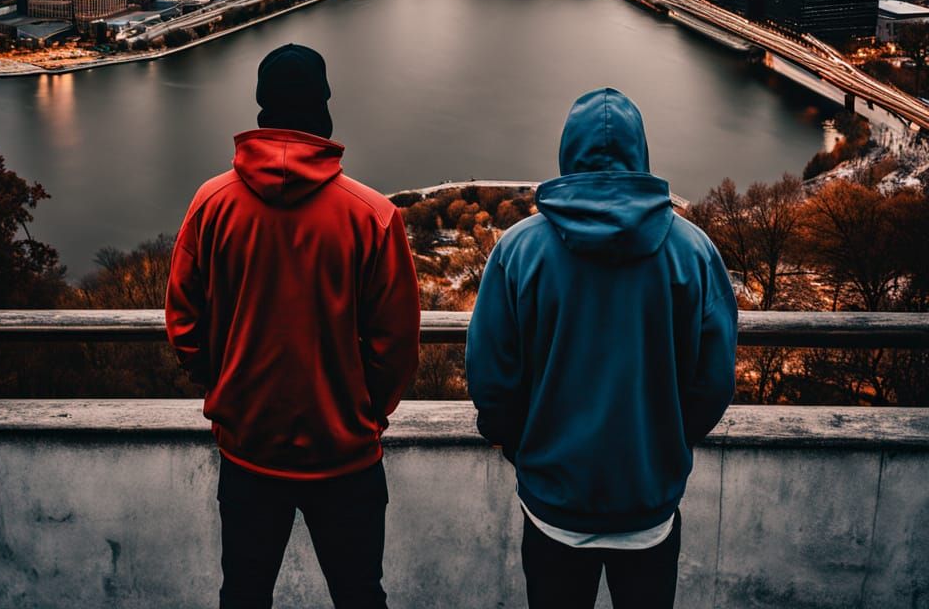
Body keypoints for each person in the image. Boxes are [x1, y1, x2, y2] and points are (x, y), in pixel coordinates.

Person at [166, 43, 421, 609]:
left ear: (261, 109)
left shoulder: (212, 204)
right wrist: (364, 411)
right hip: (346, 459)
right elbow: (397, 346)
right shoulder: (371, 215)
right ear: (323, 107)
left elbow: (183, 323)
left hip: (248, 452)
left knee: (245, 594)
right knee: (360, 596)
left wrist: (223, 385)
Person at [466, 87, 737, 609]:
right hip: (648, 504)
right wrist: (665, 444)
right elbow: (713, 379)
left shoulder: (519, 250)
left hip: (553, 504)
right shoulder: (693, 251)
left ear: (567, 154)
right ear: (642, 153)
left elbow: (491, 376)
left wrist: (522, 445)